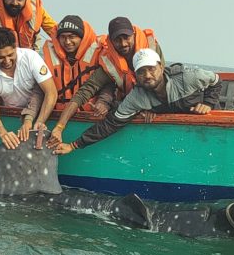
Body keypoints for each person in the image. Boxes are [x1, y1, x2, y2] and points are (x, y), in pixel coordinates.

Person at [49, 48, 222, 154]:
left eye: (152, 69)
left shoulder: (189, 77)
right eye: (141, 72)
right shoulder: (137, 97)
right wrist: (73, 145)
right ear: (136, 76)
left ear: (161, 67)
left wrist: (208, 103)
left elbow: (216, 81)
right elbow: (110, 125)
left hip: (208, 123)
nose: (147, 75)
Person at [49, 16, 162, 145]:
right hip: (129, 107)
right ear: (110, 41)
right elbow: (84, 92)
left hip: (157, 103)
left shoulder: (152, 48)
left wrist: (153, 108)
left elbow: (165, 81)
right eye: (117, 40)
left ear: (134, 34)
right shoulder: (109, 63)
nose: (123, 43)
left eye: (126, 37)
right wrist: (59, 127)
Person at [0, 27, 57, 150]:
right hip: (11, 114)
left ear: (15, 47)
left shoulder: (31, 57)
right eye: (0, 57)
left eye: (10, 55)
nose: (7, 61)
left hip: (37, 111)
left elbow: (51, 92)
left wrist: (39, 121)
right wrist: (3, 134)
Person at [42, 15, 114, 111]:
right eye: (63, 37)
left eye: (72, 37)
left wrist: (103, 102)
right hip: (56, 114)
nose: (67, 42)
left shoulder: (100, 53)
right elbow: (40, 87)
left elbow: (109, 83)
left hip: (91, 114)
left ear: (82, 37)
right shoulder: (46, 55)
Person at [0, 0, 56, 68]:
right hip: (4, 64)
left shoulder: (35, 8)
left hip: (29, 61)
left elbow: (57, 32)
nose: (14, 3)